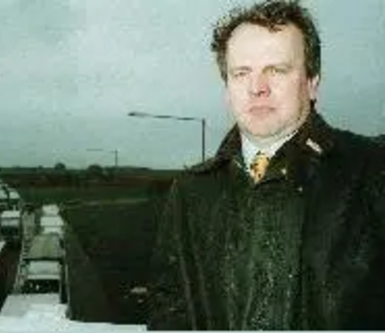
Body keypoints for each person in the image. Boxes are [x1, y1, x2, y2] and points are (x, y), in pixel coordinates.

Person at [147, 0, 385, 330]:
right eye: (241, 73)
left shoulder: (371, 171)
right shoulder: (192, 192)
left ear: (312, 82)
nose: (257, 87)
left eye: (277, 70)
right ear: (227, 88)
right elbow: (168, 307)